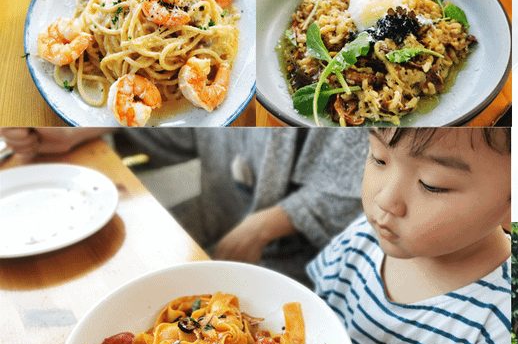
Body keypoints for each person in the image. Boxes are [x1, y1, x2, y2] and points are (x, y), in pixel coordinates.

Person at [307, 127, 511, 344]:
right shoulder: (368, 234)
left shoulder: (502, 318)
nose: (386, 199)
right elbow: (313, 314)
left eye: (432, 184)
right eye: (378, 157)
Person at [0, 127, 366, 287]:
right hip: (221, 212)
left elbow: (367, 178)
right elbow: (182, 129)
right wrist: (80, 130)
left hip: (304, 259)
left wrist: (266, 225)